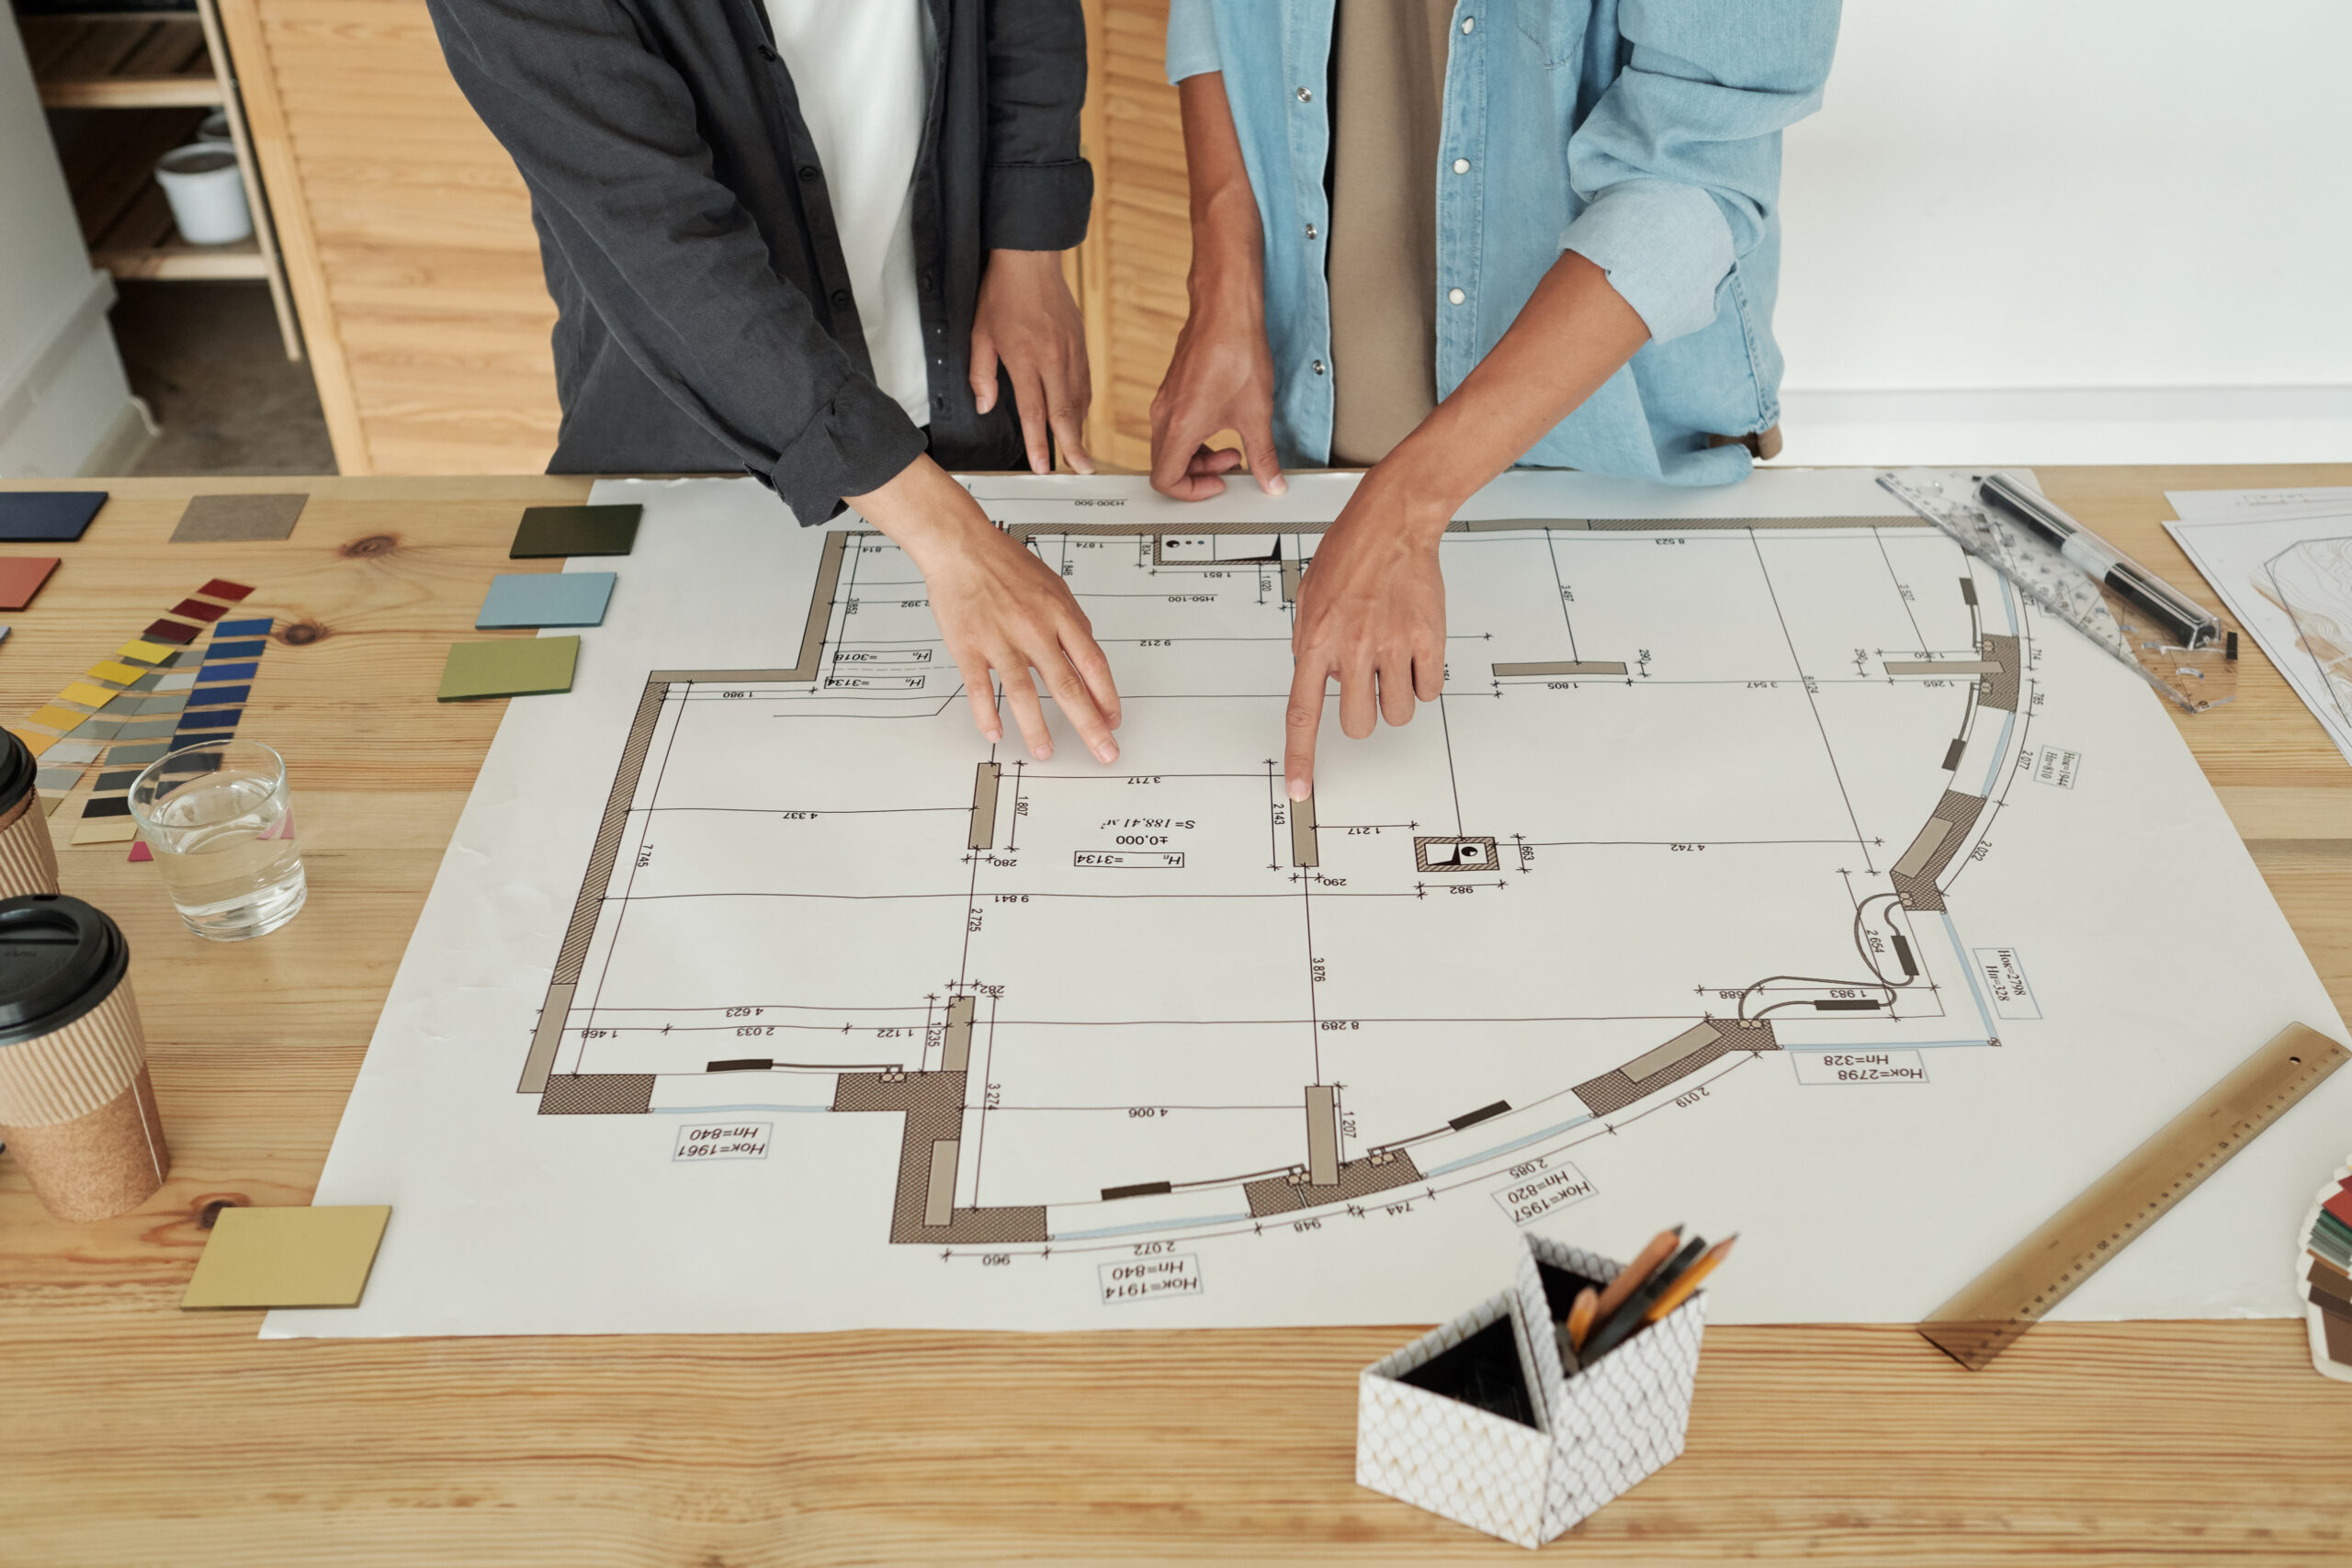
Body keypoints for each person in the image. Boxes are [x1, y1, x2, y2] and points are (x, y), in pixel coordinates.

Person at [1149, 0, 1841, 799]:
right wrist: (1224, 274)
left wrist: (1410, 502)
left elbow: (1695, 172)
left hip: (1606, 462)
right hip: (1324, 416)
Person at [428, 0, 1124, 765]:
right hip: (700, 453)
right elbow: (660, 240)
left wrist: (1029, 248)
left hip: (961, 386)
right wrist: (955, 543)